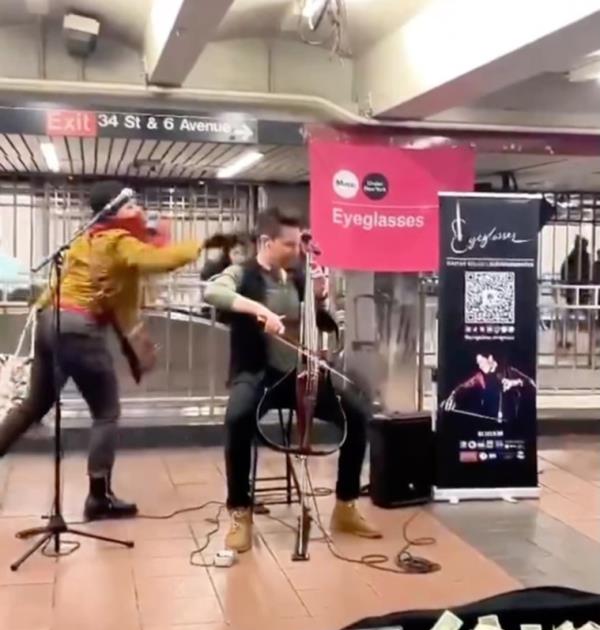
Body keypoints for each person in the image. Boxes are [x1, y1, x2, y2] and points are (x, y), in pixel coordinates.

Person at [0, 180, 223, 521]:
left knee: (33, 405)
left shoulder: (86, 240)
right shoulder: (118, 240)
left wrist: (43, 312)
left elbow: (64, 283)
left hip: (53, 322)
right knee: (106, 413)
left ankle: (96, 494)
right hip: (79, 329)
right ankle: (97, 498)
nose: (140, 211)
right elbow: (154, 261)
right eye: (132, 206)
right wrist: (200, 244)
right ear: (112, 213)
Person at [204, 206, 381, 553]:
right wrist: (261, 311)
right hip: (258, 373)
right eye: (289, 245)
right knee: (237, 419)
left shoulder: (298, 277)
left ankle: (345, 505)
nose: (297, 252)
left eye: (299, 244)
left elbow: (317, 323)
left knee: (357, 415)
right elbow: (214, 292)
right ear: (266, 242)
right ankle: (240, 512)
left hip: (299, 375)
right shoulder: (243, 273)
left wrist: (319, 298)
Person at [441, 352, 535, 422]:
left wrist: (515, 382)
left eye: (481, 361)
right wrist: (453, 395)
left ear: (490, 358)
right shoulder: (479, 376)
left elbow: (531, 383)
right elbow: (462, 386)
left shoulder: (508, 370)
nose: (480, 366)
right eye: (478, 363)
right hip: (490, 421)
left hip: (512, 423)